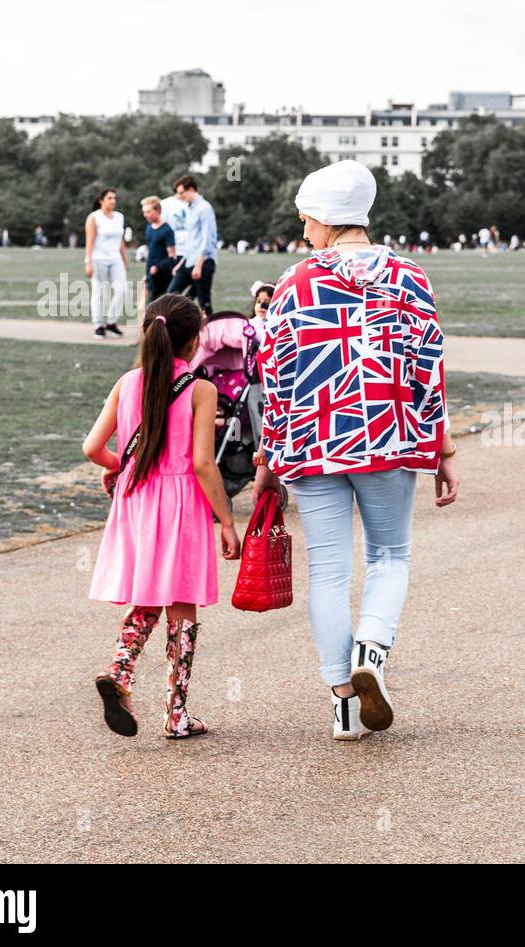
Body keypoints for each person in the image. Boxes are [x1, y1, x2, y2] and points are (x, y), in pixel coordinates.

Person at [253, 160, 459, 742]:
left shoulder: (293, 283)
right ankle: (373, 650)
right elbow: (428, 366)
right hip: (389, 435)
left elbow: (275, 376)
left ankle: (344, 704)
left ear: (321, 218)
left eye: (305, 220)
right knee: (389, 557)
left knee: (328, 571)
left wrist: (269, 460)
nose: (303, 231)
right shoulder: (411, 276)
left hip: (314, 441)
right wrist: (440, 446)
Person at [83, 294, 241, 739]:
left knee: (150, 591)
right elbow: (203, 464)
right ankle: (176, 713)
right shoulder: (201, 390)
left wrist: (118, 465)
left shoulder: (128, 382)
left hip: (135, 499)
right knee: (182, 605)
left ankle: (120, 670)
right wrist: (227, 522)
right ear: (193, 342)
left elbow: (92, 447)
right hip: (179, 502)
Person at [167, 175, 217, 314]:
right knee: (171, 295)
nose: (179, 196)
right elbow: (192, 241)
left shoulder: (205, 208)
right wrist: (180, 264)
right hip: (188, 261)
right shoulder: (189, 209)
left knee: (204, 302)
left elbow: (208, 239)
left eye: (181, 192)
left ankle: (209, 333)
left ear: (191, 189)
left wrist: (199, 265)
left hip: (203, 262)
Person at [85, 188, 126, 337]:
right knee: (99, 291)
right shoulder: (94, 217)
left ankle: (111, 322)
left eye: (114, 198)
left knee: (122, 290)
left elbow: (120, 240)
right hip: (98, 258)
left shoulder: (119, 217)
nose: (113, 201)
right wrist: (88, 262)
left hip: (115, 258)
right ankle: (98, 325)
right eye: (110, 198)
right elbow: (89, 241)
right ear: (102, 200)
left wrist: (124, 259)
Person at [141, 196, 177, 311]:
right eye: (144, 212)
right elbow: (151, 253)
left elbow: (172, 256)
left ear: (158, 210)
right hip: (150, 275)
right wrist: (146, 274)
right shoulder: (148, 228)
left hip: (162, 276)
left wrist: (158, 267)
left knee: (159, 308)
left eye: (148, 211)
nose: (145, 215)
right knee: (147, 308)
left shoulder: (167, 230)